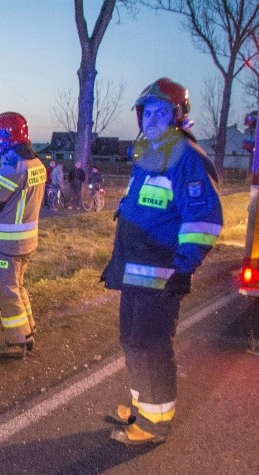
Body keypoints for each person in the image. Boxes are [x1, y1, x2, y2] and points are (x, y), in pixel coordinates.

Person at [101, 78, 223, 445]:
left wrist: (183, 265)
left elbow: (204, 219)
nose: (152, 118)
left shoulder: (187, 158)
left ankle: (155, 425)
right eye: (148, 112)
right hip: (135, 268)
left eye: (161, 112)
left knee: (152, 345)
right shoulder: (151, 154)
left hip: (162, 272)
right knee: (132, 341)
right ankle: (143, 405)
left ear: (178, 116)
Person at [0, 112, 46, 359]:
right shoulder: (36, 163)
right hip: (26, 240)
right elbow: (15, 195)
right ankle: (27, 332)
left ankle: (16, 342)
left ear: (7, 137)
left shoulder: (12, 166)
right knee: (18, 286)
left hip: (8, 243)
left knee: (6, 290)